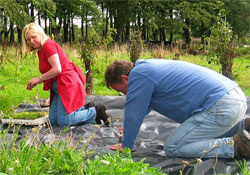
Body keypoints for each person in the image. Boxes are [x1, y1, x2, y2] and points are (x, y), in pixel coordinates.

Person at [105, 59, 250, 158]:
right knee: (202, 137)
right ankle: (242, 128)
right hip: (235, 99)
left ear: (125, 78)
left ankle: (235, 146)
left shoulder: (138, 75)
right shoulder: (147, 69)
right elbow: (142, 107)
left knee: (173, 147)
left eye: (121, 90)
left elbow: (134, 110)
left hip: (221, 106)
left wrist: (126, 146)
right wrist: (129, 127)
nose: (124, 94)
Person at [21, 23, 109, 126]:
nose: (31, 41)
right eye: (28, 39)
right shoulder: (40, 50)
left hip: (67, 83)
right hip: (58, 88)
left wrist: (39, 79)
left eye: (33, 37)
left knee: (64, 121)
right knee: (53, 121)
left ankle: (95, 111)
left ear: (40, 34)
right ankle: (84, 109)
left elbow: (57, 69)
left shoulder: (48, 46)